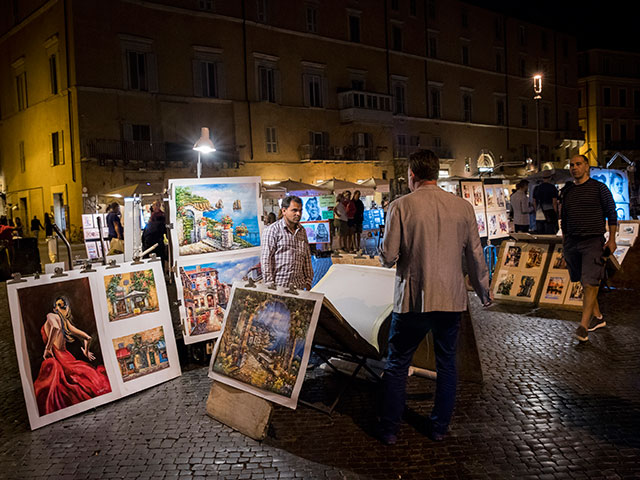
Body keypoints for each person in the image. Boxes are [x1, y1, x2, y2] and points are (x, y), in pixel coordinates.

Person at [378, 149, 491, 445]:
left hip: (413, 298)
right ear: (437, 173)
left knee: (398, 362)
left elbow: (389, 256)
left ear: (412, 174)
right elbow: (476, 255)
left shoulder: (400, 207)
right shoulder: (463, 207)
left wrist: (387, 252)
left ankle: (390, 429)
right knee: (447, 363)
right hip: (451, 299)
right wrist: (483, 291)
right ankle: (439, 427)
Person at [561, 155, 617, 342]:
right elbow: (565, 218)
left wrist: (612, 239)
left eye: (578, 164)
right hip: (572, 242)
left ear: (587, 167)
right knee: (581, 281)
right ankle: (598, 318)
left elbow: (611, 213)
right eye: (571, 165)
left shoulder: (599, 188)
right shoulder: (568, 191)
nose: (574, 168)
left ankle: (583, 325)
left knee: (590, 282)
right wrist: (565, 242)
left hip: (593, 241)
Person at [34, 296, 112, 416]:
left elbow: (56, 328)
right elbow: (87, 337)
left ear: (67, 308)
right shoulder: (59, 320)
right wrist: (85, 350)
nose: (60, 308)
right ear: (54, 308)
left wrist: (48, 348)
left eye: (63, 306)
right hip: (65, 357)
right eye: (58, 306)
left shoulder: (57, 319)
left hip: (62, 358)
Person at [261, 195, 313, 290]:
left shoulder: (302, 231)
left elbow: (307, 257)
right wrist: (269, 284)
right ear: (284, 211)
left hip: (299, 286)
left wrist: (308, 281)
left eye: (300, 210)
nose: (298, 214)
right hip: (279, 286)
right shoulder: (272, 230)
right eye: (294, 210)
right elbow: (266, 259)